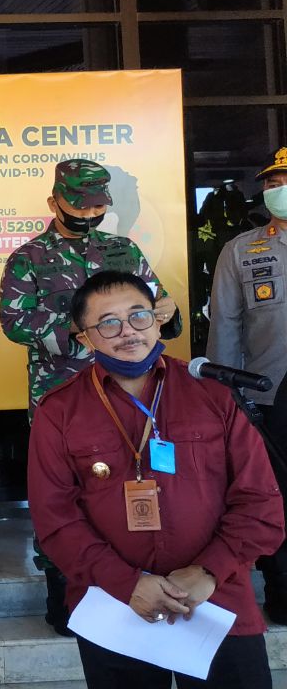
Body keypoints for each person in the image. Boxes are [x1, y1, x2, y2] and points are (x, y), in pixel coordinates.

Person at [28, 270, 284, 689]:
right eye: (108, 323)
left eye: (138, 315)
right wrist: (127, 583)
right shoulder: (59, 411)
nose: (128, 331)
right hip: (115, 607)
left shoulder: (214, 395)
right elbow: (55, 519)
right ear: (86, 338)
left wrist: (209, 571)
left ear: (157, 320)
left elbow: (260, 502)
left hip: (215, 601)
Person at [0, 158, 182, 636]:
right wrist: (84, 333)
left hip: (130, 390)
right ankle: (63, 590)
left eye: (98, 205)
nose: (90, 213)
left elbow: (156, 307)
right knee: (62, 489)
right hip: (61, 391)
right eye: (80, 205)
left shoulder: (123, 250)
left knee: (131, 477)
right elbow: (15, 322)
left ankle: (134, 578)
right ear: (54, 202)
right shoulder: (29, 257)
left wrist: (167, 309)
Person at [208, 147, 287, 622]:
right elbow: (226, 326)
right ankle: (283, 590)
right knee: (275, 496)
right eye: (273, 184)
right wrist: (226, 395)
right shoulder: (241, 250)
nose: (279, 191)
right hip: (268, 393)